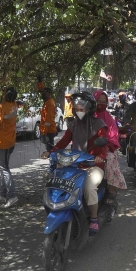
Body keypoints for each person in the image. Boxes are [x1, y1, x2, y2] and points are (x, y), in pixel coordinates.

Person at [41, 92, 108, 236]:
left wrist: (99, 157)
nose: (79, 112)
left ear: (89, 109)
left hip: (93, 165)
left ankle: (94, 218)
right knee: (56, 181)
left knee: (89, 187)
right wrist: (51, 151)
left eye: (82, 109)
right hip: (75, 164)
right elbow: (63, 142)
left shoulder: (99, 125)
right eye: (77, 109)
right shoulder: (73, 125)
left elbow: (104, 146)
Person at [93, 90, 127, 204]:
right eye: (98, 101)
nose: (101, 104)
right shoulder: (88, 116)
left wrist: (107, 146)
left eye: (104, 102)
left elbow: (113, 136)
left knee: (110, 158)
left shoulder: (109, 119)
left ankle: (112, 189)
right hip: (89, 148)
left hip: (106, 147)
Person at [36, 77, 57, 152]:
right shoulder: (48, 102)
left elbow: (48, 121)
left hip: (49, 131)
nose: (43, 95)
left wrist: (44, 132)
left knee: (50, 151)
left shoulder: (50, 104)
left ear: (49, 94)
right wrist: (40, 82)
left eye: (45, 93)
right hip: (48, 130)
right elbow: (42, 89)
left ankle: (53, 163)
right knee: (49, 150)